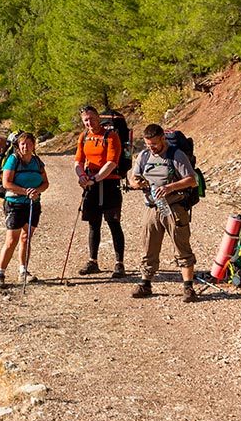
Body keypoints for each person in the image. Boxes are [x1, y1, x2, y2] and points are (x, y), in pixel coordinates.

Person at [126, 123, 199, 303]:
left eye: (155, 144)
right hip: (152, 207)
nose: (152, 148)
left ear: (163, 139)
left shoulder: (177, 155)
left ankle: (188, 287)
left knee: (182, 246)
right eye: (149, 144)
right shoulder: (144, 156)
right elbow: (133, 179)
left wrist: (169, 187)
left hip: (174, 207)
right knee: (148, 246)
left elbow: (192, 180)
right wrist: (138, 183)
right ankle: (146, 283)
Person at [73, 105, 126, 278]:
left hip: (109, 183)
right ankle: (92, 261)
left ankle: (119, 264)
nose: (90, 122)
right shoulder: (84, 137)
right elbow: (78, 161)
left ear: (98, 117)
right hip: (92, 184)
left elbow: (112, 162)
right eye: (86, 120)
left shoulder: (111, 136)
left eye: (92, 118)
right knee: (93, 224)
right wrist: (81, 176)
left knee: (113, 222)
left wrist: (94, 179)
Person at [0, 131, 48, 286]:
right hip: (15, 204)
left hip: (33, 204)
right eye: (23, 144)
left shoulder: (37, 161)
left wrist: (37, 191)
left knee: (26, 238)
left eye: (29, 144)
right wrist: (26, 192)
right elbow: (7, 183)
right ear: (18, 146)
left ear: (34, 145)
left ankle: (23, 270)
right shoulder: (13, 160)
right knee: (12, 240)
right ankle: (0, 273)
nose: (26, 147)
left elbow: (45, 183)